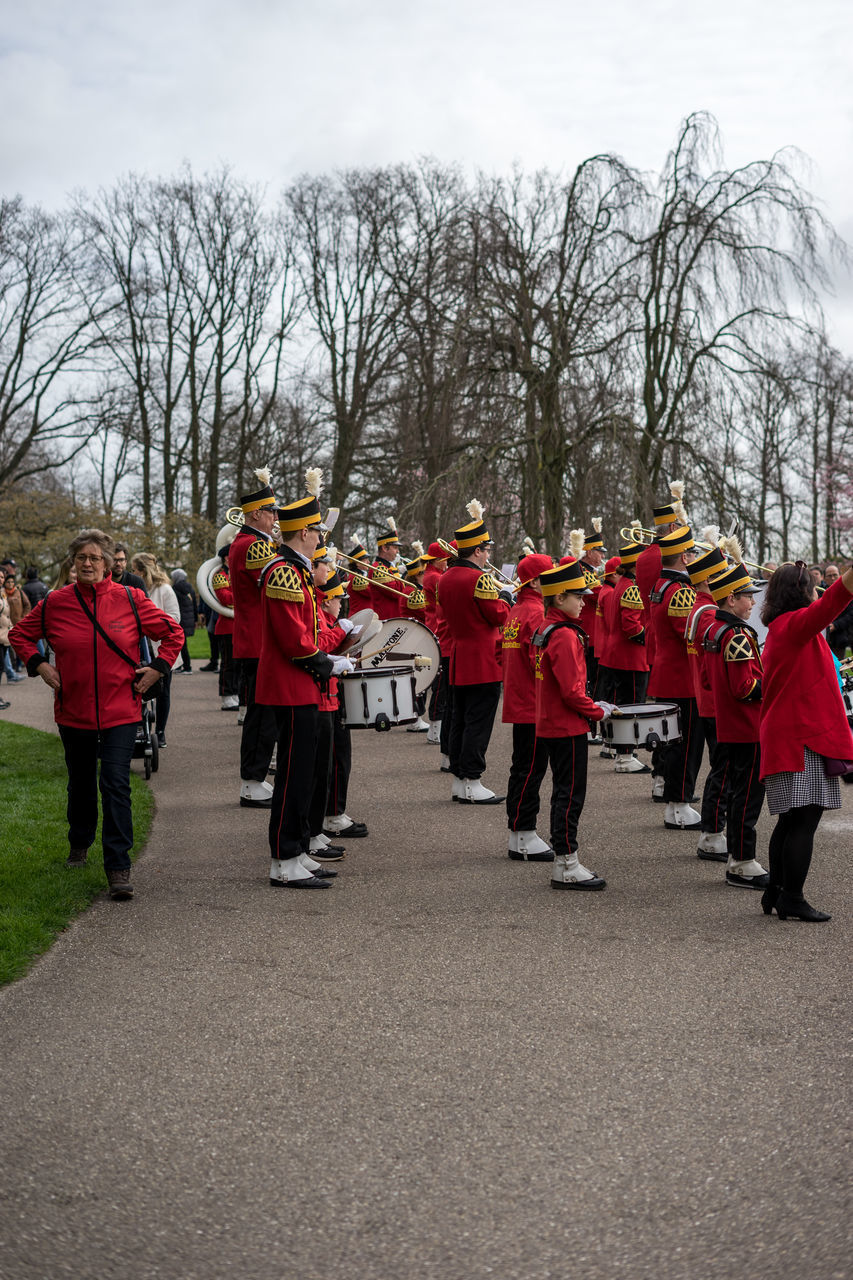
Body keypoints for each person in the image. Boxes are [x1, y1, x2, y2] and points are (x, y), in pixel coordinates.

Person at [9, 529, 182, 899]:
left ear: (107, 563)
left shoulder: (132, 599)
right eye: (81, 558)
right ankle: (80, 841)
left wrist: (158, 669)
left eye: (95, 558)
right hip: (74, 712)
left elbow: (173, 634)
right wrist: (41, 665)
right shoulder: (56, 602)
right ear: (73, 562)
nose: (87, 563)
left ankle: (118, 866)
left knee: (116, 783)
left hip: (122, 710)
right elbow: (21, 635)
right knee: (82, 784)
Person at [256, 472, 353, 888]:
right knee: (295, 774)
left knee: (305, 771)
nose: (319, 538)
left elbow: (306, 632)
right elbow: (294, 641)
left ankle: (296, 849)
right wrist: (328, 663)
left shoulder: (294, 571)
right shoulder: (283, 572)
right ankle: (284, 857)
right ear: (303, 532)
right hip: (291, 684)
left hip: (301, 684)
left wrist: (329, 653)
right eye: (316, 530)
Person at [758, 560, 853, 922]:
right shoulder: (796, 626)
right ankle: (792, 898)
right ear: (802, 593)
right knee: (803, 822)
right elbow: (833, 602)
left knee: (790, 820)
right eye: (813, 587)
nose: (818, 592)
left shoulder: (782, 627)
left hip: (791, 735)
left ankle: (776, 890)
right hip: (801, 739)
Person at [532, 560, 613, 890]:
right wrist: (598, 712)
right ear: (560, 597)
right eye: (578, 596)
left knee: (563, 793)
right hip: (567, 726)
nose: (584, 601)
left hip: (551, 722)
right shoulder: (564, 636)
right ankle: (566, 863)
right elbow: (571, 691)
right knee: (570, 795)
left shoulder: (546, 629)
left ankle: (565, 860)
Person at [438, 500, 512, 804]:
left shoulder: (446, 577)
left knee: (459, 721)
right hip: (482, 659)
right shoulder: (479, 578)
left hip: (459, 657)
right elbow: (498, 616)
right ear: (478, 550)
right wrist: (506, 597)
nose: (489, 555)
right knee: (478, 723)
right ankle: (472, 779)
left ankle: (459, 779)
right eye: (487, 550)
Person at [702, 563, 769, 889]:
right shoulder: (738, 635)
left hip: (726, 723)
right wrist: (773, 684)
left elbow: (707, 680)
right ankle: (742, 861)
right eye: (748, 597)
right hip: (746, 727)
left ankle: (737, 857)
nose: (753, 603)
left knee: (735, 791)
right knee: (747, 797)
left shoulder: (712, 630)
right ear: (730, 598)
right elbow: (745, 689)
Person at [229, 468, 279, 808]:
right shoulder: (255, 546)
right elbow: (277, 579)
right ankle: (252, 781)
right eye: (273, 512)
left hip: (255, 638)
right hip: (258, 640)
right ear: (256, 514)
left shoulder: (255, 543)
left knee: (264, 714)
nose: (277, 517)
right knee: (262, 717)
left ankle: (256, 776)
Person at [501, 552, 554, 860]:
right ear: (536, 581)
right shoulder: (535, 613)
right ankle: (523, 834)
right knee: (531, 770)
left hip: (521, 700)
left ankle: (520, 832)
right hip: (533, 703)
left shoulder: (517, 609)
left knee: (523, 768)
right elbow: (541, 663)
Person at [684, 541, 732, 861]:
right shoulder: (708, 613)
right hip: (717, 702)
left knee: (722, 766)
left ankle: (713, 829)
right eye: (721, 574)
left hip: (709, 700)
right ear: (707, 581)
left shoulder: (702, 608)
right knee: (724, 768)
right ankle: (712, 833)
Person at [599, 538, 650, 774]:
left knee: (623, 703)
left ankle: (622, 751)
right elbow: (631, 626)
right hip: (628, 656)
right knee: (630, 705)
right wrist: (649, 638)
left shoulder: (623, 584)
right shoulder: (631, 587)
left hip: (618, 654)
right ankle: (625, 755)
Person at [130, 554, 181, 748]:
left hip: (160, 647)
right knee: (140, 688)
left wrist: (154, 624)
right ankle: (140, 728)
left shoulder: (164, 589)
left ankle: (160, 731)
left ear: (142, 571)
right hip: (142, 649)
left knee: (163, 692)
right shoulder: (134, 589)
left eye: (134, 569)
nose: (132, 573)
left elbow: (175, 617)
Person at [210, 549, 238, 709]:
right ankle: (227, 696)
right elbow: (225, 599)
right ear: (227, 557)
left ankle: (235, 694)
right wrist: (243, 596)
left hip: (238, 626)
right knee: (229, 664)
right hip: (227, 627)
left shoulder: (235, 574)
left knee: (238, 664)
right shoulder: (221, 575)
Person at [170, 568, 199, 672]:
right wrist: (196, 620)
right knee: (182, 644)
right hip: (189, 620)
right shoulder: (190, 588)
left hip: (180, 620)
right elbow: (195, 605)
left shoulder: (174, 588)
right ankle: (183, 666)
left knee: (180, 644)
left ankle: (186, 667)